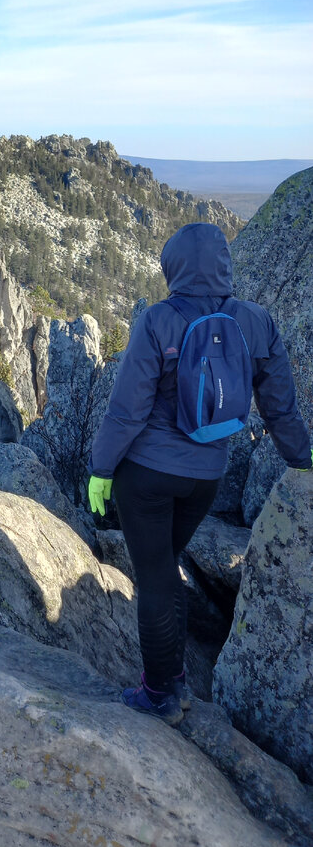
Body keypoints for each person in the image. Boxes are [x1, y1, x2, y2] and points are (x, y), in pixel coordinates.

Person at [88, 221, 312, 725]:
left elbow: (126, 410)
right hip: (206, 477)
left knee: (155, 576)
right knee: (166, 564)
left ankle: (159, 694)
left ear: (174, 267)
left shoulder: (158, 320)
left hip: (144, 476)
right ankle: (179, 681)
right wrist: (303, 461)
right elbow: (281, 408)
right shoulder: (257, 322)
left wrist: (102, 468)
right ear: (224, 265)